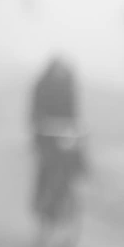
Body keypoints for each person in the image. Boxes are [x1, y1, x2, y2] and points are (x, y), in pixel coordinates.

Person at [29, 57, 87, 221]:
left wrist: (76, 128)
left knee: (72, 160)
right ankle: (41, 203)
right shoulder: (42, 86)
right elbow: (34, 111)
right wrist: (40, 124)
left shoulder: (68, 88)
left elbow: (73, 113)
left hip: (63, 136)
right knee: (46, 168)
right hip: (45, 137)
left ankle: (67, 197)